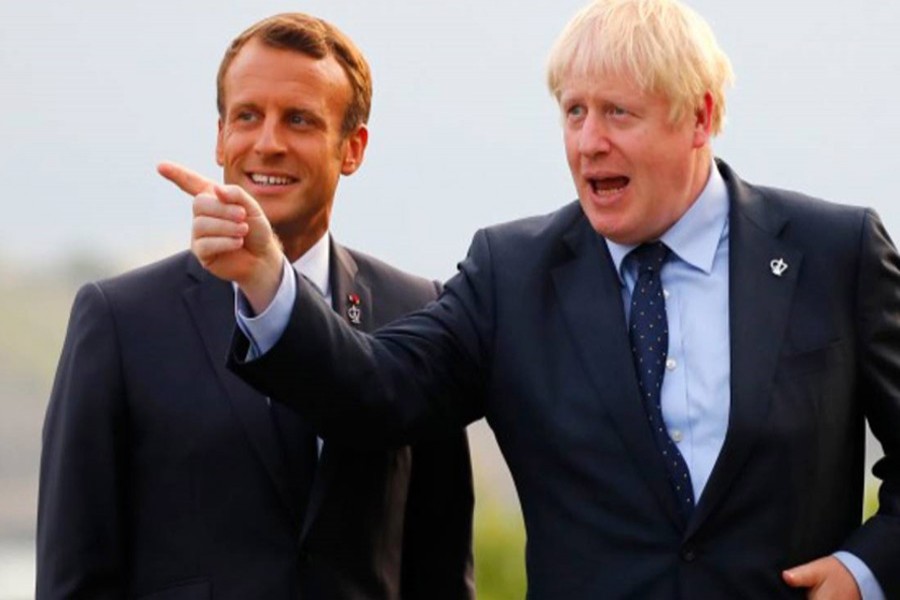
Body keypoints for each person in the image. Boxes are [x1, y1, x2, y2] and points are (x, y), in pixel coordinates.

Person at [172, 0, 900, 597]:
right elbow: (376, 392)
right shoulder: (510, 273)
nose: (588, 143)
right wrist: (267, 279)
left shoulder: (835, 253)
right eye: (574, 112)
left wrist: (865, 571)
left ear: (700, 118)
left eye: (619, 113)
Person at [37, 13, 475, 600]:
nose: (268, 143)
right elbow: (74, 576)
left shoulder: (417, 309)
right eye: (247, 116)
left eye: (298, 119)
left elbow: (441, 570)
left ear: (353, 148)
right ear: (220, 136)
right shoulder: (117, 320)